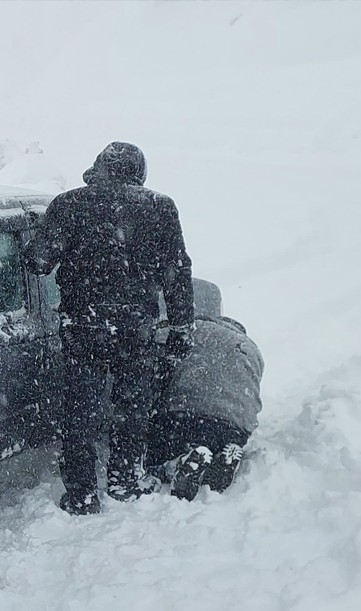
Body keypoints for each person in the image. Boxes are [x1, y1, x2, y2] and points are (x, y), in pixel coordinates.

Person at [25, 142, 194, 515]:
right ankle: (123, 480)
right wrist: (182, 326)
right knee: (132, 407)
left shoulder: (69, 204)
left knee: (79, 409)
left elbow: (38, 260)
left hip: (82, 323)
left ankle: (82, 493)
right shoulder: (160, 207)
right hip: (136, 327)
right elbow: (177, 272)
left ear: (99, 167)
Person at [150, 315, 264, 501]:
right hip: (234, 425)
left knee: (157, 453)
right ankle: (224, 452)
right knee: (215, 436)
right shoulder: (250, 348)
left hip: (184, 418)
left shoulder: (189, 331)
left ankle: (179, 462)